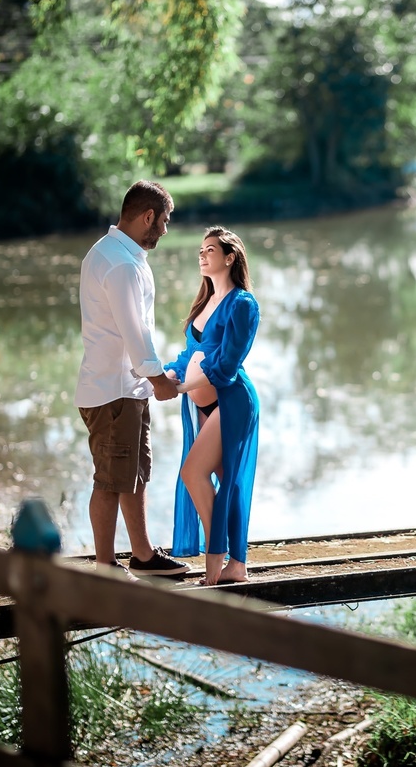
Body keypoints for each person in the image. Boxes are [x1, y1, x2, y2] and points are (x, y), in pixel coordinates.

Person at [75, 180, 191, 579]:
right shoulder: (121, 264)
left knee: (132, 475)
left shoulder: (113, 252)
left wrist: (151, 377)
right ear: (147, 217)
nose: (165, 229)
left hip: (124, 388)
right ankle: (106, 568)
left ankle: (142, 555)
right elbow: (133, 329)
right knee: (109, 480)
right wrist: (157, 377)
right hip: (114, 392)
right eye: (164, 220)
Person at [165, 226, 260, 585]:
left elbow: (226, 366)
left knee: (193, 473)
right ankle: (237, 565)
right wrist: (162, 375)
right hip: (203, 406)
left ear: (229, 257)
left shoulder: (243, 304)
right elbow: (189, 354)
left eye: (209, 250)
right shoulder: (204, 301)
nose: (202, 256)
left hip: (232, 401)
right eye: (200, 251)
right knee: (225, 482)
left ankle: (215, 561)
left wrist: (182, 386)